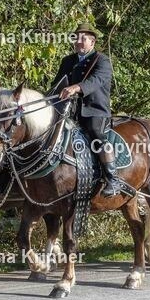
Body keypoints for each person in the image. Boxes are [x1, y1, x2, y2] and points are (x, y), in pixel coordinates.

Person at [54, 21, 122, 197]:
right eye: (76, 38)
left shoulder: (103, 61)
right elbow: (56, 85)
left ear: (92, 42)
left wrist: (76, 88)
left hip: (95, 111)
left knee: (95, 134)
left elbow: (95, 81)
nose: (78, 42)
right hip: (70, 111)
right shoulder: (67, 61)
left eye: (83, 39)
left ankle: (112, 179)